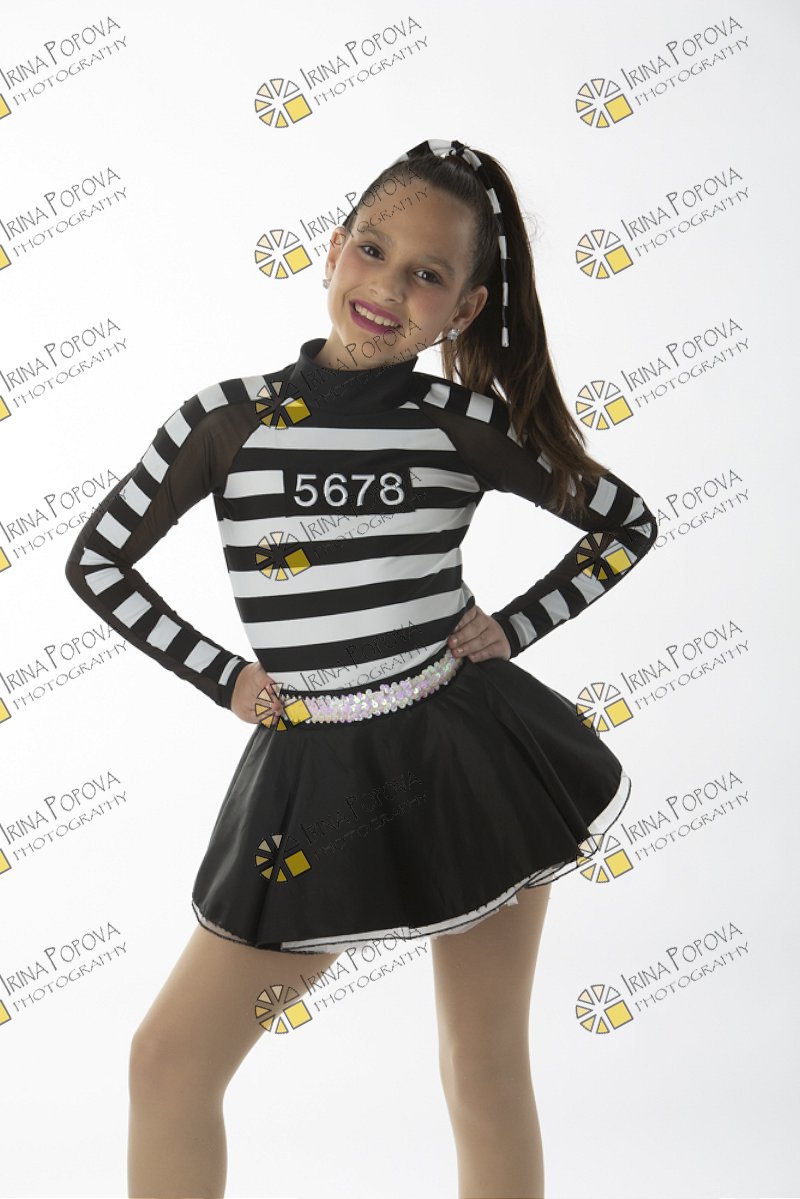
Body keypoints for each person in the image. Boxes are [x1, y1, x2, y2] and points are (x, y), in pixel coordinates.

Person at [64, 137, 659, 1199]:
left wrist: (516, 626)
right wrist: (223, 675)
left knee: (482, 1068)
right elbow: (96, 560)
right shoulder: (226, 421)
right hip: (316, 774)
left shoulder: (463, 424)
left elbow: (624, 523)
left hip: (469, 758)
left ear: (464, 310)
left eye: (426, 274)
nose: (387, 287)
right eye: (373, 250)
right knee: (169, 1060)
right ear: (333, 247)